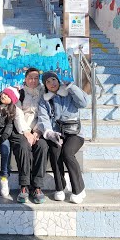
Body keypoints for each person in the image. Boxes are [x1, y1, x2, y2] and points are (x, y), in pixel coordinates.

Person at [37, 71, 88, 204]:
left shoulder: (68, 92)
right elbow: (43, 117)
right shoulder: (45, 99)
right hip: (57, 133)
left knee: (67, 153)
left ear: (58, 80)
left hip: (74, 133)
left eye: (53, 79)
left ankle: (79, 189)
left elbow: (83, 103)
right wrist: (48, 132)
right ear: (45, 85)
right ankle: (60, 188)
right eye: (47, 82)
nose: (51, 83)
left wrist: (72, 86)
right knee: (54, 151)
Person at [10, 67, 48, 204]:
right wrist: (26, 132)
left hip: (39, 129)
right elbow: (17, 114)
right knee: (23, 147)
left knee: (43, 146)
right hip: (21, 130)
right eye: (30, 78)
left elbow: (45, 114)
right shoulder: (20, 93)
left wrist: (37, 132)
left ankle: (37, 187)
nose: (33, 80)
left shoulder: (44, 92)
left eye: (36, 78)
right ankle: (24, 186)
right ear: (25, 79)